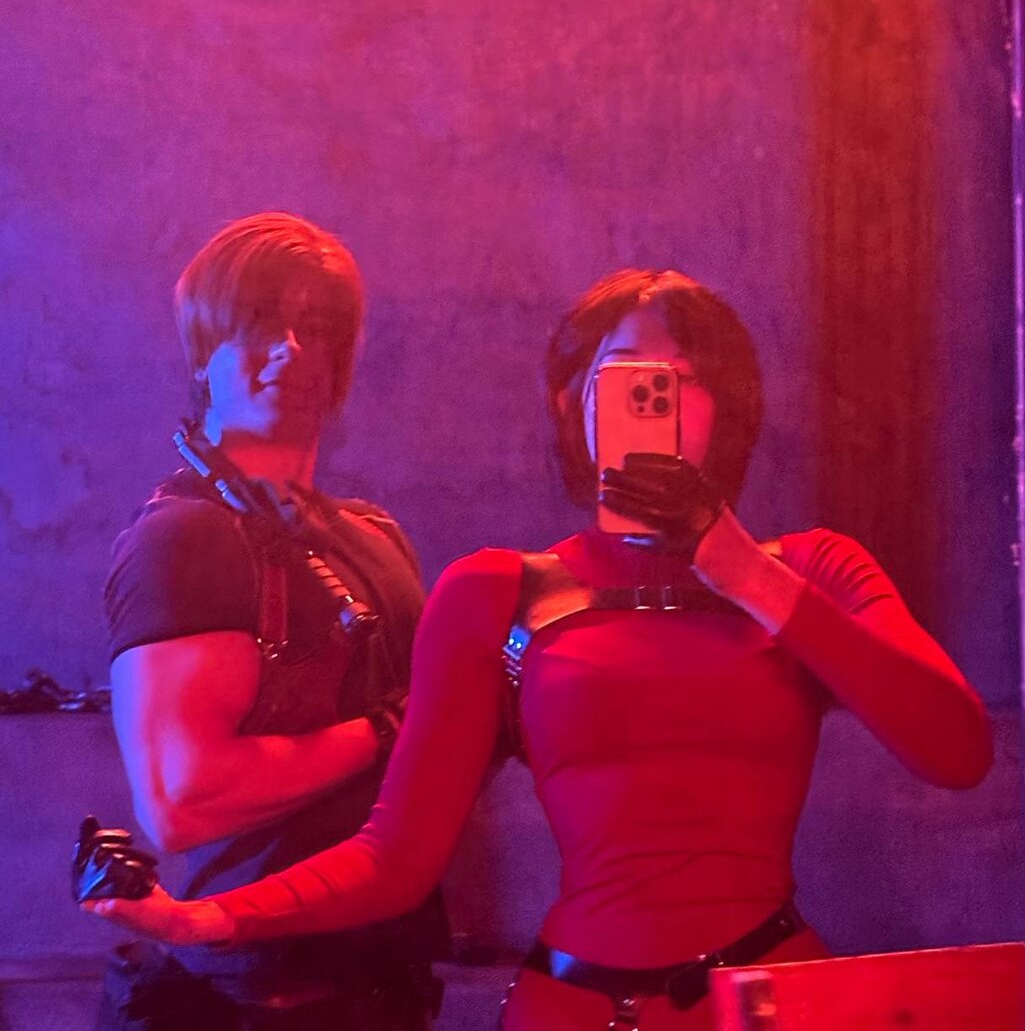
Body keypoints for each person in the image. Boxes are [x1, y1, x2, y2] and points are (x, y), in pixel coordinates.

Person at [87, 268, 992, 1031]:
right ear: (574, 403)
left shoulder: (811, 569)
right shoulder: (497, 592)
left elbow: (956, 750)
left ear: (728, 406)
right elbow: (397, 855)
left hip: (762, 1001)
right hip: (568, 1007)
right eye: (622, 378)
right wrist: (201, 920)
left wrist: (742, 572)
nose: (652, 399)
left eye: (681, 380)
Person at [96, 212, 447, 1030]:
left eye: (315, 329)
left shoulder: (373, 536)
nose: (290, 349)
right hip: (250, 999)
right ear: (203, 351)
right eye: (259, 323)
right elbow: (183, 800)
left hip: (384, 978)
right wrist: (385, 731)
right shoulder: (187, 536)